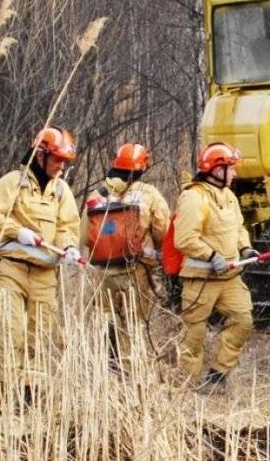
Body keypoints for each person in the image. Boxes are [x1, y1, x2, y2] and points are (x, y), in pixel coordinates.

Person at [0, 126, 81, 401]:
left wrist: (68, 246)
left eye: (64, 162)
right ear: (41, 154)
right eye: (56, 159)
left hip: (45, 276)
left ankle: (28, 396)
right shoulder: (13, 181)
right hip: (13, 270)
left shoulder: (62, 191)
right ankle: (0, 394)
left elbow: (68, 226)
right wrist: (14, 229)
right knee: (9, 333)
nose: (60, 167)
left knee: (40, 337)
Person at [173, 142, 258, 389]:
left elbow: (239, 227)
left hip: (230, 278)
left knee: (243, 321)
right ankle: (188, 384)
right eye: (230, 168)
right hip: (201, 280)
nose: (235, 173)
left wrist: (246, 248)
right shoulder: (193, 197)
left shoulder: (229, 196)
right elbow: (184, 238)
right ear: (217, 170)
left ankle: (218, 375)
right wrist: (212, 257)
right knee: (194, 333)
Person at [81, 143, 170, 371]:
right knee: (133, 320)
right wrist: (157, 252)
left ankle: (104, 361)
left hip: (103, 269)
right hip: (136, 269)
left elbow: (84, 233)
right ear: (143, 167)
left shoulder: (97, 194)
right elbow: (163, 230)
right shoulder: (149, 195)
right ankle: (127, 368)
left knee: (107, 315)